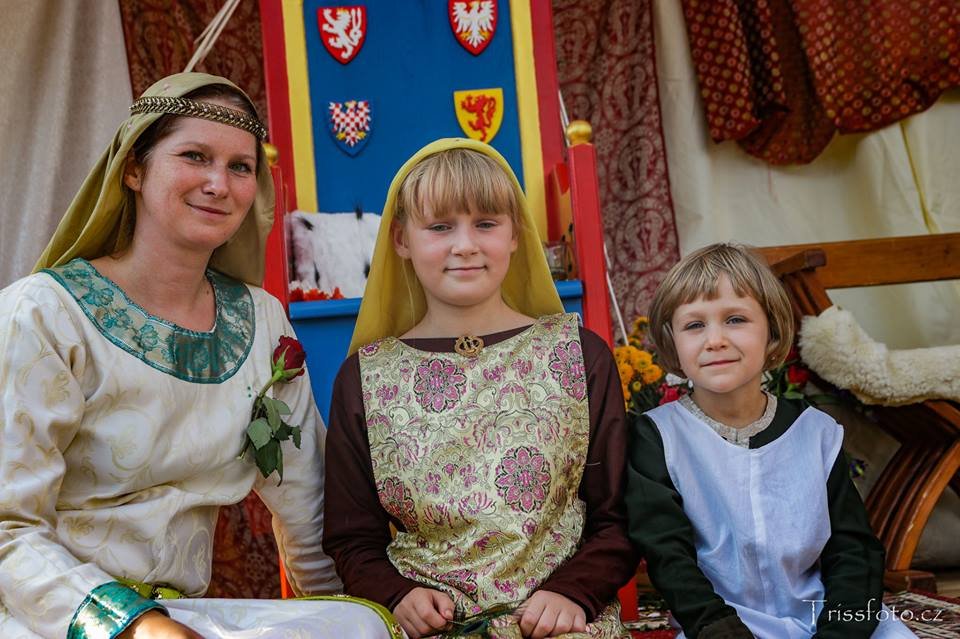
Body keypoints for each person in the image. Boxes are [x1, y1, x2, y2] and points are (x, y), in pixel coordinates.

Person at [0, 73, 400, 639]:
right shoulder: (43, 313)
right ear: (133, 169)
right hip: (53, 617)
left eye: (240, 167)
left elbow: (307, 504)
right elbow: (8, 528)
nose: (219, 184)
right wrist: (129, 626)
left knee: (361, 626)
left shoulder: (260, 321)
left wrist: (350, 609)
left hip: (184, 619)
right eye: (195, 156)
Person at [323, 138, 639, 639]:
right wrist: (396, 595)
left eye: (486, 223)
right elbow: (351, 537)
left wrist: (573, 592)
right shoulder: (365, 378)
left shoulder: (579, 356)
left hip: (557, 626)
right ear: (401, 239)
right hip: (428, 629)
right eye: (440, 226)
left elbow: (617, 515)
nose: (465, 245)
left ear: (515, 234)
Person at [625, 243, 916, 638]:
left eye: (735, 319)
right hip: (721, 625)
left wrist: (839, 632)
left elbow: (853, 549)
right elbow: (667, 553)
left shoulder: (815, 432)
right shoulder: (657, 437)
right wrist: (718, 628)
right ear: (672, 341)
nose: (714, 340)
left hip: (823, 616)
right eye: (694, 325)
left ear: (773, 332)